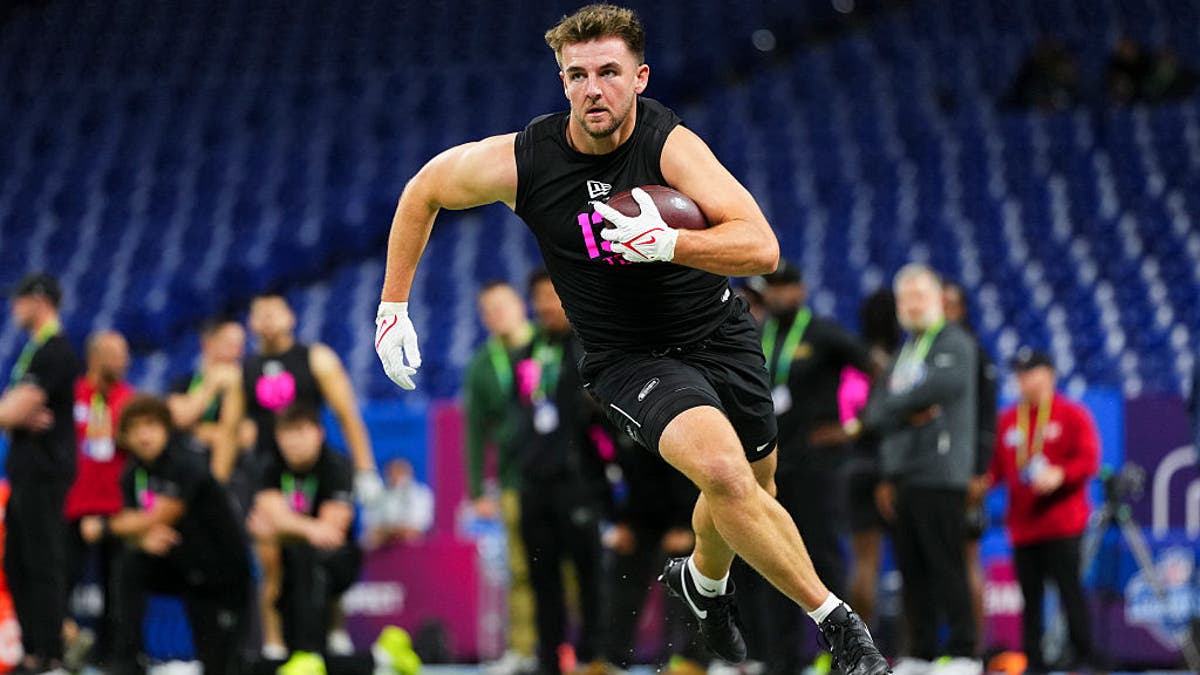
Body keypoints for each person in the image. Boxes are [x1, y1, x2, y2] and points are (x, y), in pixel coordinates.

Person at [373, 6, 888, 674]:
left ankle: (700, 583)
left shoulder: (670, 144)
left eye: (609, 72)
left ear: (638, 78)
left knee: (750, 492)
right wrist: (391, 305)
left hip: (721, 335)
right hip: (629, 360)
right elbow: (424, 190)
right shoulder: (525, 160)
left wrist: (671, 241)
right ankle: (839, 625)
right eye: (578, 74)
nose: (594, 88)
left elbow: (762, 247)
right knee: (726, 473)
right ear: (562, 82)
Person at [740, 261, 877, 675]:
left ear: (800, 290)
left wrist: (855, 427)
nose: (780, 295)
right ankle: (781, 659)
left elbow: (879, 371)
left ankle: (840, 658)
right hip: (771, 469)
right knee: (774, 559)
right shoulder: (758, 335)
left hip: (820, 468)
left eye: (787, 287)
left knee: (825, 558)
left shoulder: (822, 332)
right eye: (773, 288)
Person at [849, 264, 980, 675]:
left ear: (939, 298)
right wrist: (903, 411)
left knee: (947, 564)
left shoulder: (955, 342)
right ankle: (921, 652)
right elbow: (873, 411)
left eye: (919, 296)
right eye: (905, 299)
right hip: (904, 476)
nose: (911, 305)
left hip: (941, 473)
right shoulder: (909, 348)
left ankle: (964, 652)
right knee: (912, 570)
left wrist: (895, 406)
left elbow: (939, 388)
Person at [244, 292, 381, 656]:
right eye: (259, 314)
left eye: (274, 312)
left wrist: (365, 468)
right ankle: (274, 646)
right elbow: (232, 427)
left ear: (291, 317)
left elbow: (347, 414)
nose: (267, 320)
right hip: (268, 475)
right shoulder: (246, 367)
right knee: (271, 562)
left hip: (316, 470)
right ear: (251, 323)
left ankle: (335, 633)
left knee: (327, 552)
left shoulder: (316, 358)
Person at [245, 404, 420, 675]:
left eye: (300, 432)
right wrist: (307, 529)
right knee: (276, 552)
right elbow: (271, 515)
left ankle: (314, 650)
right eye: (286, 433)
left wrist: (281, 528)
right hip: (288, 568)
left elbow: (330, 532)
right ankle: (382, 657)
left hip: (336, 564)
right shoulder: (269, 466)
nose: (293, 441)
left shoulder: (337, 464)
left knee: (307, 554)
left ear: (318, 433)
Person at [96, 395, 250, 675]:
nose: (144, 435)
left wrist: (108, 526)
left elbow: (161, 515)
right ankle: (127, 660)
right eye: (135, 428)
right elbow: (137, 524)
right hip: (175, 560)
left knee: (220, 661)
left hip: (218, 571)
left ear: (166, 428)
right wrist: (138, 537)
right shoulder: (133, 472)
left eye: (151, 426)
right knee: (130, 564)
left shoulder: (185, 461)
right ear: (125, 435)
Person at [513, 271, 609, 675]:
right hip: (535, 484)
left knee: (589, 574)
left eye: (554, 295)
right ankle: (548, 659)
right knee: (542, 578)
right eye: (540, 297)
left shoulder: (588, 347)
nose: (548, 305)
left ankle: (595, 657)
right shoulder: (528, 352)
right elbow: (519, 413)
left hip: (579, 482)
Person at [987, 349, 1097, 673]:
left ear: (1049, 374)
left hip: (1063, 522)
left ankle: (1084, 655)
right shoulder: (1007, 420)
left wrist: (1060, 474)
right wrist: (976, 486)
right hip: (1023, 526)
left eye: (1031, 372)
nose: (1024, 380)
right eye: (1020, 374)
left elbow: (1088, 460)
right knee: (1029, 597)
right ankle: (1034, 660)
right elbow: (994, 470)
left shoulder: (1071, 414)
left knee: (1069, 591)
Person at [0, 272, 82, 673]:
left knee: (42, 561)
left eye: (18, 299)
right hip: (25, 471)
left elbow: (13, 410)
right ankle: (33, 652)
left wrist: (14, 412)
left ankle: (50, 656)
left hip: (45, 473)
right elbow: (12, 410)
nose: (13, 308)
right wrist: (13, 413)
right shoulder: (34, 350)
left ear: (39, 299)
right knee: (18, 561)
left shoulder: (56, 350)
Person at [462, 281, 538, 674]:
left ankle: (582, 648)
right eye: (488, 309)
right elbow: (474, 431)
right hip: (513, 480)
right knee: (521, 568)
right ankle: (523, 649)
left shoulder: (549, 344)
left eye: (502, 305)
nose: (497, 314)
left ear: (519, 305)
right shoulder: (481, 364)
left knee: (574, 567)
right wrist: (477, 489)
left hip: (563, 475)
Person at [62, 330, 136, 668]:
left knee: (119, 589)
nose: (123, 360)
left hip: (117, 510)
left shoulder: (129, 399)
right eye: (114, 353)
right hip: (70, 506)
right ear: (93, 357)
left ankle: (117, 658)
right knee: (60, 582)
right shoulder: (70, 395)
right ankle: (60, 650)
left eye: (125, 353)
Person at [942, 281, 998, 653]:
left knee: (967, 559)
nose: (943, 310)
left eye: (951, 304)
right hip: (931, 472)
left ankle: (973, 649)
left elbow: (986, 416)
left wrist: (979, 469)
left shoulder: (974, 353)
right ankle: (932, 650)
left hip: (964, 474)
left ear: (962, 310)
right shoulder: (924, 349)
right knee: (935, 563)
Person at [845, 289, 901, 631]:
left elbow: (849, 416)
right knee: (911, 565)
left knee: (863, 563)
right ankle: (913, 656)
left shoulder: (854, 358)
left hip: (857, 463)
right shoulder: (903, 358)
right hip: (895, 466)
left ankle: (859, 654)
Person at [167, 318, 246, 484]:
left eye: (240, 345)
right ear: (208, 344)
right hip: (184, 464)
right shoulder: (184, 382)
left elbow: (245, 435)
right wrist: (212, 385)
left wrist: (196, 430)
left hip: (232, 473)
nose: (237, 352)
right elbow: (179, 419)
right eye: (230, 344)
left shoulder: (246, 385)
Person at [362, 458, 434, 549]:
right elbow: (371, 531)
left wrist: (387, 532)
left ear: (409, 472)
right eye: (392, 472)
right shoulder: (378, 496)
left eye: (400, 471)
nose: (396, 476)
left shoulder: (422, 493)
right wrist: (396, 532)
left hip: (414, 551)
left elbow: (416, 530)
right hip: (382, 552)